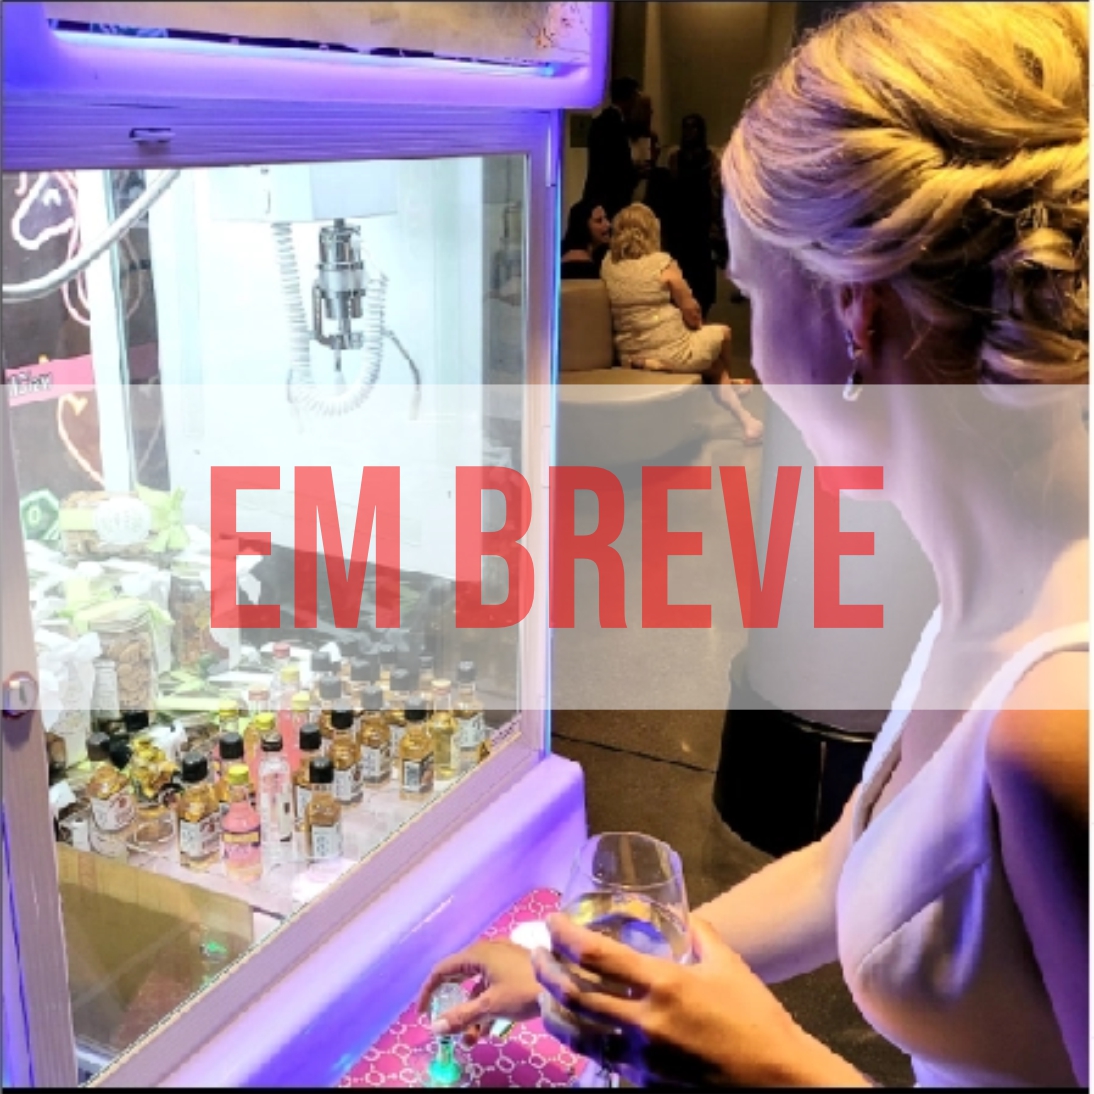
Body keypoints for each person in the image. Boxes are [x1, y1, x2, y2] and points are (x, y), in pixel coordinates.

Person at [418, 3, 1089, 1088]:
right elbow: (856, 863)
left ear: (854, 316)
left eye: (748, 285)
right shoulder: (992, 579)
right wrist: (588, 962)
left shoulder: (1059, 722)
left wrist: (764, 1063)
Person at [598, 202, 761, 438]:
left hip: (631, 353)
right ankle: (731, 390)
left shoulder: (608, 264)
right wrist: (696, 327)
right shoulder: (661, 263)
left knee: (713, 368)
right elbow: (691, 310)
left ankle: (747, 421)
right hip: (672, 348)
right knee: (723, 334)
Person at [665, 113, 727, 319]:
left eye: (694, 128)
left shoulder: (711, 159)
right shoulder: (675, 158)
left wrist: (719, 227)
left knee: (703, 283)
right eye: (686, 127)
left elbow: (717, 194)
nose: (689, 132)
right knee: (683, 277)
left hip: (702, 225)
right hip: (681, 225)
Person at [582, 76, 644, 222]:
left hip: (598, 194)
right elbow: (616, 167)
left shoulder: (600, 122)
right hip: (611, 199)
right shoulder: (615, 126)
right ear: (630, 97)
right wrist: (636, 173)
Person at [559, 200, 611, 280]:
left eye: (606, 218)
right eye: (599, 221)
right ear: (583, 226)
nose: (608, 224)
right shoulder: (581, 266)